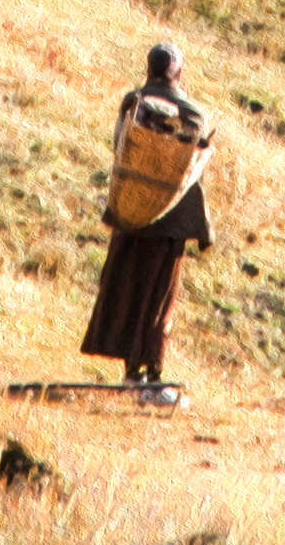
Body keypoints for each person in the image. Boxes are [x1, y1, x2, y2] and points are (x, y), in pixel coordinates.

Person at [80, 41, 213, 392]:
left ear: (149, 69)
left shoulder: (133, 102)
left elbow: (120, 144)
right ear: (179, 72)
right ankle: (152, 369)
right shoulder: (194, 114)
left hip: (131, 211)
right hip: (171, 223)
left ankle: (131, 369)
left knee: (128, 289)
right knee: (158, 297)